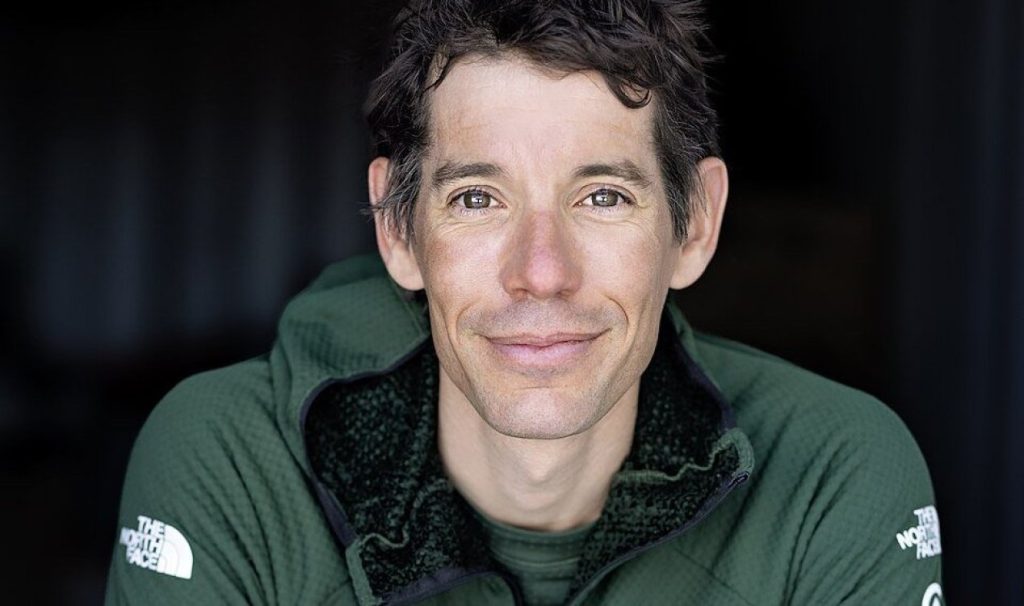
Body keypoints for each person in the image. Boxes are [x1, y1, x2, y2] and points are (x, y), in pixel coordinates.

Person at [105, 1, 944, 604]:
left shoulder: (831, 475)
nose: (541, 273)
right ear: (397, 229)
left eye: (603, 197)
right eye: (477, 198)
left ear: (695, 225)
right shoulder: (235, 463)